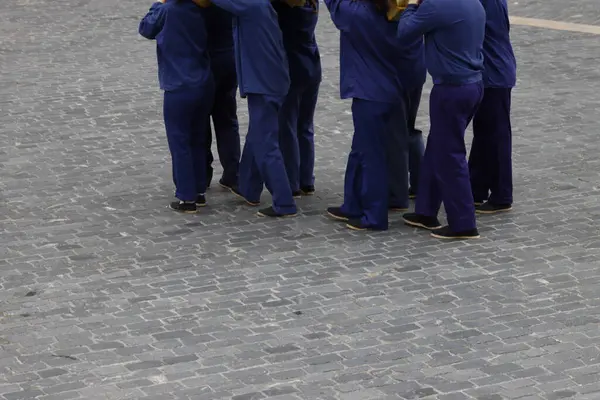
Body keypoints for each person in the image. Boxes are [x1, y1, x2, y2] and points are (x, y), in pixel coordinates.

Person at [200, 0, 296, 218]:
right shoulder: (260, 5)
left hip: (263, 84)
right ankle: (249, 188)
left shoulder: (252, 5)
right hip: (272, 81)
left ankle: (284, 202)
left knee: (265, 144)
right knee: (256, 136)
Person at [398, 0, 486, 239]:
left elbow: (404, 33)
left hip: (451, 90)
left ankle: (463, 223)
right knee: (438, 146)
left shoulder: (437, 5)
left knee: (450, 155)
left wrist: (413, 4)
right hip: (473, 84)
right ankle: (426, 211)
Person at [324, 0, 410, 231]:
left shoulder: (357, 14)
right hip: (390, 87)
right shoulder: (395, 14)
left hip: (369, 92)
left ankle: (374, 215)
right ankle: (352, 204)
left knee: (371, 156)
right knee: (361, 149)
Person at [139, 0, 215, 213]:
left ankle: (186, 196)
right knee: (198, 138)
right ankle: (199, 190)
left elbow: (146, 28)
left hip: (179, 84)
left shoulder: (166, 9)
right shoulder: (201, 7)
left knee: (179, 140)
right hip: (203, 81)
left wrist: (158, 3)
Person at [468, 0, 517, 214]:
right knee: (484, 131)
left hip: (493, 73)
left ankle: (501, 194)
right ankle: (476, 188)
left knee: (496, 135)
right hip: (492, 71)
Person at [274, 0, 322, 198]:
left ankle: (291, 180)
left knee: (287, 126)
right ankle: (306, 179)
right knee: (305, 125)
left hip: (292, 68)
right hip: (311, 64)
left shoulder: (283, 8)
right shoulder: (311, 4)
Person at [202, 5, 241, 191]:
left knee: (200, 121)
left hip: (205, 61)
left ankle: (202, 174)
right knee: (227, 118)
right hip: (228, 56)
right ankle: (233, 173)